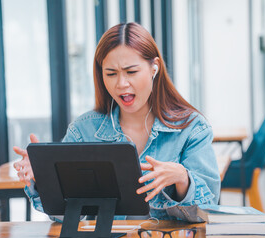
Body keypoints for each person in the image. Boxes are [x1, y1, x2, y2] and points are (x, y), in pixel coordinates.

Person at [13, 22, 220, 222]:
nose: (121, 84)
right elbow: (67, 216)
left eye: (131, 72)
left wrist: (182, 178)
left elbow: (207, 212)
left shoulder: (192, 128)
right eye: (111, 74)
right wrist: (44, 180)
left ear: (154, 68)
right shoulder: (83, 131)